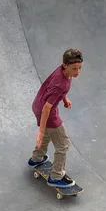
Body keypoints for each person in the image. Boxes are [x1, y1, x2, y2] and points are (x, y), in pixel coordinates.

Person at [28, 48, 83, 187]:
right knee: (63, 144)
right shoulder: (62, 83)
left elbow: (53, 89)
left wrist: (64, 98)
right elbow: (48, 107)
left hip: (37, 104)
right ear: (65, 65)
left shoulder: (61, 72)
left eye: (80, 68)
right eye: (74, 68)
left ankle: (36, 158)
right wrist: (40, 129)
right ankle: (56, 176)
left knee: (47, 133)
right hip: (47, 111)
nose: (77, 72)